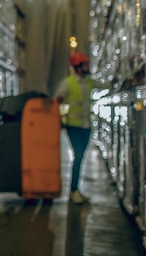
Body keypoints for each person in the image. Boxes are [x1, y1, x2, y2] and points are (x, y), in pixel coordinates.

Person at [54, 52, 94, 205]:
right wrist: (56, 118)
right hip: (73, 126)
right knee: (77, 156)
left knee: (81, 156)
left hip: (86, 126)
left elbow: (105, 86)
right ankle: (72, 191)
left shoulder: (89, 82)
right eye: (85, 64)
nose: (88, 67)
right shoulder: (68, 83)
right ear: (78, 67)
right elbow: (58, 100)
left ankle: (76, 190)